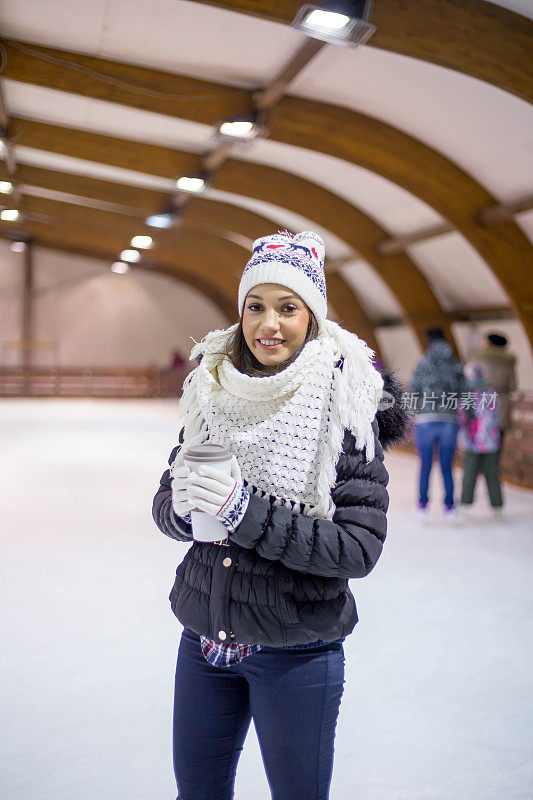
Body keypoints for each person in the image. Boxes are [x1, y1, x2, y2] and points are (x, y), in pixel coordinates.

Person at [152, 230, 408, 800]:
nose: (269, 324)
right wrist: (182, 509)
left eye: (288, 308)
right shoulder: (213, 390)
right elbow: (165, 501)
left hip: (296, 649)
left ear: (311, 315)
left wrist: (242, 511)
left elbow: (357, 549)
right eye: (256, 306)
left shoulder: (346, 407)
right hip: (205, 642)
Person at [409, 328, 468, 520]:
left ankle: (422, 506)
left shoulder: (422, 363)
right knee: (446, 466)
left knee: (425, 465)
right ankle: (450, 506)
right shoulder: (456, 365)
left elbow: (414, 392)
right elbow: (464, 394)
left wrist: (410, 414)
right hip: (449, 422)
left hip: (425, 421)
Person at [458, 362, 503, 517]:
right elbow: (497, 416)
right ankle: (497, 505)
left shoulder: (466, 394)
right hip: (490, 441)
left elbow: (462, 418)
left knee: (470, 473)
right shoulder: (490, 392)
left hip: (472, 442)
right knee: (492, 473)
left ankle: (465, 503)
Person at [469, 332, 517, 455]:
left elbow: (469, 381)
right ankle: (493, 471)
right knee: (496, 446)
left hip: (481, 405)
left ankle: (477, 470)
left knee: (477, 444)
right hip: (502, 405)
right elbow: (513, 386)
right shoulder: (509, 361)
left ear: (489, 343)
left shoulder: (477, 359)